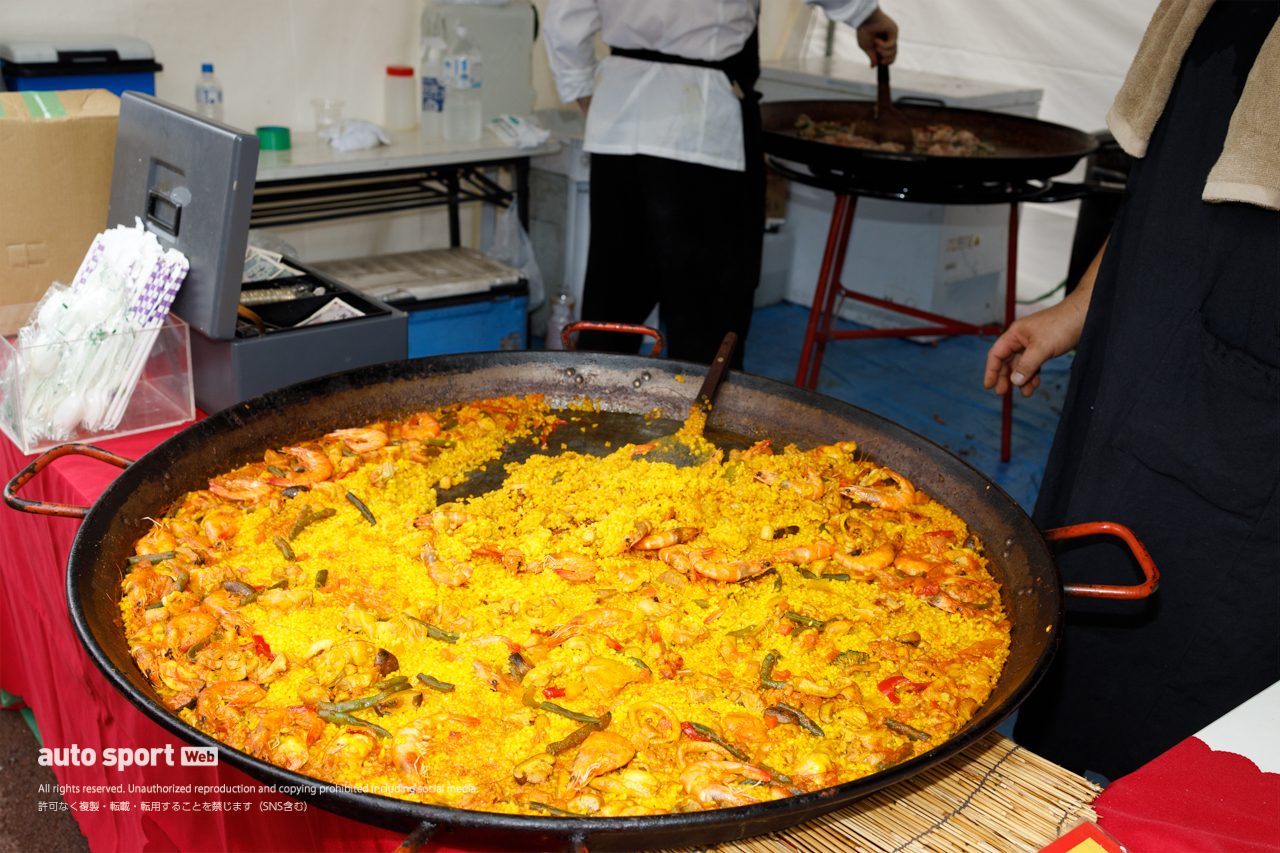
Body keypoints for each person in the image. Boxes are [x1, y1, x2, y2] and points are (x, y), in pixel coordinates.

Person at [984, 0, 1278, 781]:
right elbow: (1169, 176)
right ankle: (1051, 795)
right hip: (1144, 344)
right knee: (1085, 599)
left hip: (1252, 389)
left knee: (1201, 677)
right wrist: (1080, 308)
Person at [544, 0, 898, 368]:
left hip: (619, 118)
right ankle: (702, 421)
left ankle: (593, 414)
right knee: (708, 316)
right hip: (704, 124)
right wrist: (865, 15)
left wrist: (587, 95)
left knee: (614, 299)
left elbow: (564, 20)